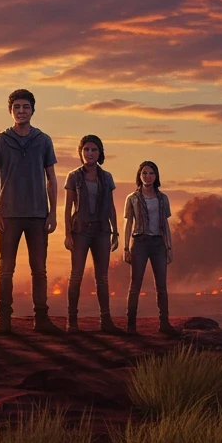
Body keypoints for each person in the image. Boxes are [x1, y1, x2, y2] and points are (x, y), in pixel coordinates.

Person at [0, 89, 64, 336]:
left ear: (33, 110)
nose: (21, 111)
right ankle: (4, 319)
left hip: (38, 214)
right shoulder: (0, 140)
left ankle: (41, 318)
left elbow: (51, 178)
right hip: (8, 214)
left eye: (26, 107)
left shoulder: (43, 140)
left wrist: (53, 213)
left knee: (39, 269)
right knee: (6, 269)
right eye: (17, 107)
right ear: (10, 110)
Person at [63, 134, 124, 335]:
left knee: (102, 278)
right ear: (81, 152)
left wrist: (115, 231)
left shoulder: (107, 177)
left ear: (100, 153)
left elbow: (111, 207)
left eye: (94, 150)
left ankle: (105, 320)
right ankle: (72, 321)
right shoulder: (73, 176)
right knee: (76, 276)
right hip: (80, 230)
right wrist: (67, 234)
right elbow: (68, 207)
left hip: (101, 231)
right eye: (86, 149)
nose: (90, 153)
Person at [122, 160, 178, 336]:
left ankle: (164, 322)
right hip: (139, 242)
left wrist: (169, 247)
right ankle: (131, 325)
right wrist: (125, 248)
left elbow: (165, 224)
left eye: (151, 173)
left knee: (161, 285)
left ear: (156, 176)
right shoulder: (132, 198)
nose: (148, 176)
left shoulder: (163, 198)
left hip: (158, 244)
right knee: (135, 285)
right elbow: (128, 223)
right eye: (144, 173)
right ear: (139, 176)